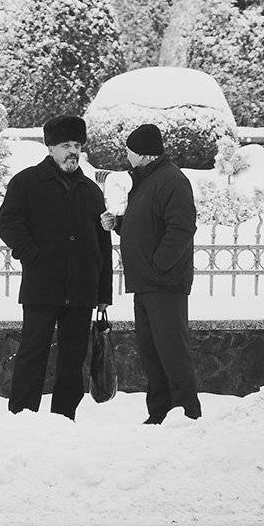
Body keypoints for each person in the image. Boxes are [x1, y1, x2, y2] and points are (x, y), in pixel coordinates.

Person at [0, 114, 113, 418]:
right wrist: (33, 255)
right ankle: (22, 416)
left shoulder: (91, 191)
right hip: (42, 287)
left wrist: (103, 293)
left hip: (81, 289)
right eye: (65, 145)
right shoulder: (27, 183)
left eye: (76, 144)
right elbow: (8, 223)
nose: (72, 151)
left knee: (73, 361)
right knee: (32, 354)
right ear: (50, 148)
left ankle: (64, 418)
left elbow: (102, 244)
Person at [101, 123, 202, 424]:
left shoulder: (171, 181)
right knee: (151, 350)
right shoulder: (146, 181)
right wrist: (118, 224)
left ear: (143, 155)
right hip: (146, 282)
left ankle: (187, 412)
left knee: (171, 350)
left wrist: (159, 265)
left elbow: (181, 227)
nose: (127, 156)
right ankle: (160, 412)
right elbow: (147, 224)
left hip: (164, 283)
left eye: (130, 151)